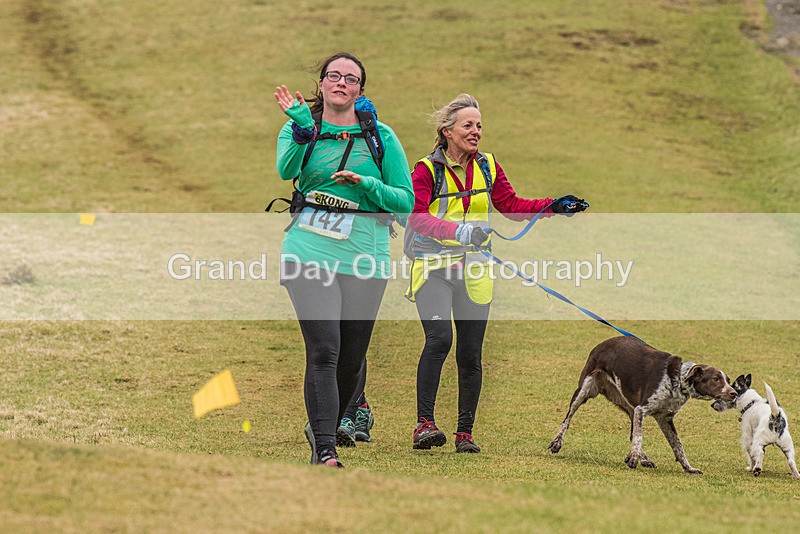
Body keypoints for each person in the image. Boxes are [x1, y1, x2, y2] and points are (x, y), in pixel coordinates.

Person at [405, 93, 587, 453]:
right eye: (468, 125)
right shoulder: (426, 170)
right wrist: (458, 231)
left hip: (474, 272)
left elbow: (512, 206)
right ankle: (424, 425)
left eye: (479, 126)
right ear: (447, 131)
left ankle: (465, 433)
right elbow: (416, 216)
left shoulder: (487, 165)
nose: (476, 132)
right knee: (439, 339)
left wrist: (553, 206)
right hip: (434, 269)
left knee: (470, 354)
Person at [274, 52, 414, 467]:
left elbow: (405, 202)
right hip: (308, 250)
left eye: (350, 78)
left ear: (360, 90)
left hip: (365, 256)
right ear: (321, 84)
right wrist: (302, 128)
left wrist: (366, 183)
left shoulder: (381, 137)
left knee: (351, 359)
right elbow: (285, 171)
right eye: (333, 76)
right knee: (325, 350)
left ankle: (324, 422)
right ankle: (325, 448)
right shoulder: (300, 126)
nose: (341, 83)